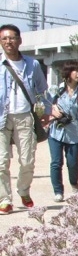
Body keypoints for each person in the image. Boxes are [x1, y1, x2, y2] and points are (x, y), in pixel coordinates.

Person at [0, 23, 48, 213]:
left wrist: (46, 112)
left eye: (12, 38)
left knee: (27, 160)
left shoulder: (32, 64)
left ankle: (23, 190)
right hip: (1, 117)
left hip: (25, 116)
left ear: (19, 40)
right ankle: (4, 199)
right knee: (1, 162)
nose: (8, 41)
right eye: (4, 38)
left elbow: (43, 90)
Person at [47, 61, 78, 202]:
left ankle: (73, 183)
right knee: (56, 162)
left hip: (75, 133)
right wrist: (53, 110)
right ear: (68, 72)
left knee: (72, 163)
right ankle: (58, 191)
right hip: (56, 131)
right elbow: (45, 104)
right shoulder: (57, 90)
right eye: (75, 70)